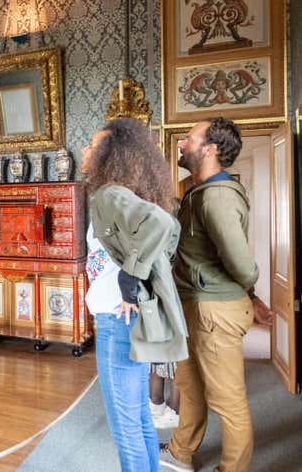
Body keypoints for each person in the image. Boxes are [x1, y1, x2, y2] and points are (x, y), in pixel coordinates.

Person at [160, 117, 273, 472]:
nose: (181, 143)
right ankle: (181, 453)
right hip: (193, 304)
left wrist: (250, 288)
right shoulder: (194, 190)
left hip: (214, 310)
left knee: (228, 399)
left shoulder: (219, 197)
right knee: (189, 387)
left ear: (210, 149)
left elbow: (241, 264)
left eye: (190, 138)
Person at [82, 118, 188, 472]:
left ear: (112, 156)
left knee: (125, 426)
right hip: (125, 317)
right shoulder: (122, 193)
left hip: (117, 318)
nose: (85, 150)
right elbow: (166, 230)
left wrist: (131, 277)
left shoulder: (110, 194)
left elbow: (161, 224)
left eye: (93, 146)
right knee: (139, 416)